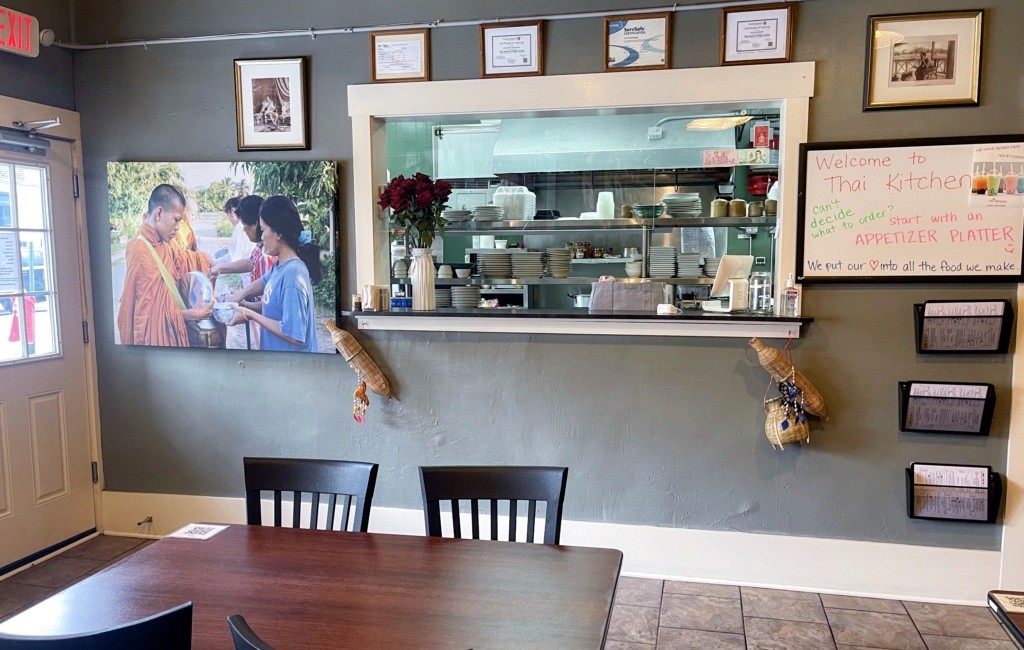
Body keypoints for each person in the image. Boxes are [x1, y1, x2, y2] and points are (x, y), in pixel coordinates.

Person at [117, 184, 214, 347]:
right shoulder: (140, 251)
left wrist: (209, 261)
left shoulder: (162, 244)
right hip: (156, 344)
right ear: (159, 213)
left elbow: (181, 260)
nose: (177, 228)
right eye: (176, 220)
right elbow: (148, 318)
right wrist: (192, 314)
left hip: (170, 336)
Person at [228, 196, 321, 352]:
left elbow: (294, 335)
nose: (261, 237)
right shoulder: (280, 266)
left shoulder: (293, 274)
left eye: (263, 230)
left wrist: (249, 314)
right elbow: (268, 296)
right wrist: (241, 301)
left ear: (278, 233)